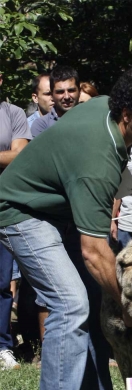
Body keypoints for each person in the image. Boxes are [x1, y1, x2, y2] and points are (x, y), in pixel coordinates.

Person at [0, 66, 132, 390]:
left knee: (96, 299)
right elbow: (95, 254)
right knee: (70, 302)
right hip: (20, 211)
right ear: (128, 116)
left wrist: (115, 298)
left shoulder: (106, 107)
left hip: (55, 210)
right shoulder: (96, 161)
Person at [0, 71, 31, 370]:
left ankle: (2, 346)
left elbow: (20, 154)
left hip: (2, 205)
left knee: (1, 281)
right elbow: (9, 153)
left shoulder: (13, 113)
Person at [31, 66, 80, 137]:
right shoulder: (42, 125)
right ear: (52, 95)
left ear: (79, 91)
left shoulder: (93, 117)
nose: (66, 97)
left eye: (71, 90)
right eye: (60, 92)